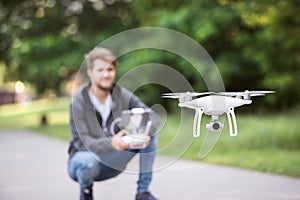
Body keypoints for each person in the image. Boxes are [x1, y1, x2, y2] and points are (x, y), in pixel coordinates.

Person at [67, 47, 160, 200]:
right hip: (83, 161)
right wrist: (111, 143)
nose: (106, 74)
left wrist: (141, 128)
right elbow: (82, 142)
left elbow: (153, 117)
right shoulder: (78, 101)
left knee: (150, 132)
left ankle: (142, 193)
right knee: (88, 161)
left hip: (112, 160)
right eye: (100, 70)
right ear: (90, 72)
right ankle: (86, 192)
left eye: (110, 69)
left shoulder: (120, 94)